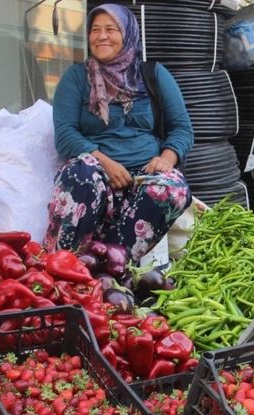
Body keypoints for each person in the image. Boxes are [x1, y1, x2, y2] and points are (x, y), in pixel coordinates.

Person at [46, 3, 193, 262]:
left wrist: (166, 159)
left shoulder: (153, 75)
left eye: (111, 29)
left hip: (144, 175)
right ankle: (67, 265)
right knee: (80, 173)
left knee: (173, 189)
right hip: (97, 172)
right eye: (95, 30)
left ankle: (111, 264)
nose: (101, 36)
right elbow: (65, 135)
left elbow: (181, 128)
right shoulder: (77, 78)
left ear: (128, 34)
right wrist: (106, 164)